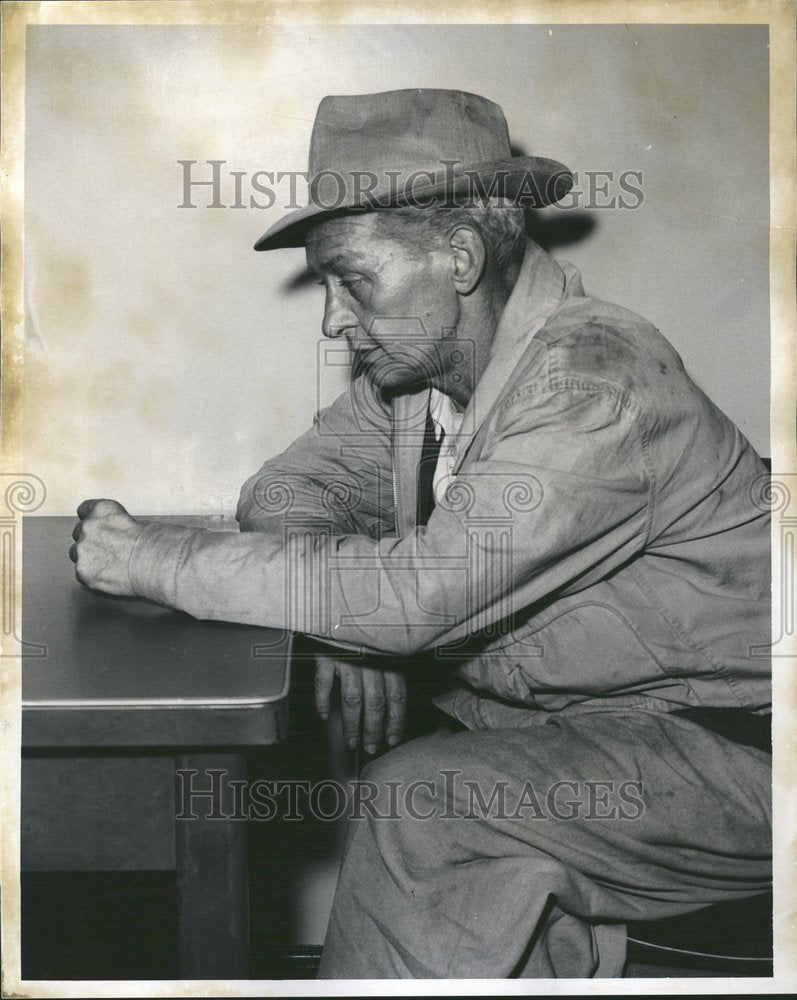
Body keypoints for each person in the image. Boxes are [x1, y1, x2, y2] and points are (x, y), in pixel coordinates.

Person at [71, 89, 771, 978]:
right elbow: (288, 487)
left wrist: (155, 557)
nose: (332, 318)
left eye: (352, 281)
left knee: (418, 806)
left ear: (460, 256)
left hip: (747, 749)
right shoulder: (425, 378)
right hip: (612, 724)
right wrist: (350, 628)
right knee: (421, 794)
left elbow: (418, 596)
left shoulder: (591, 386)